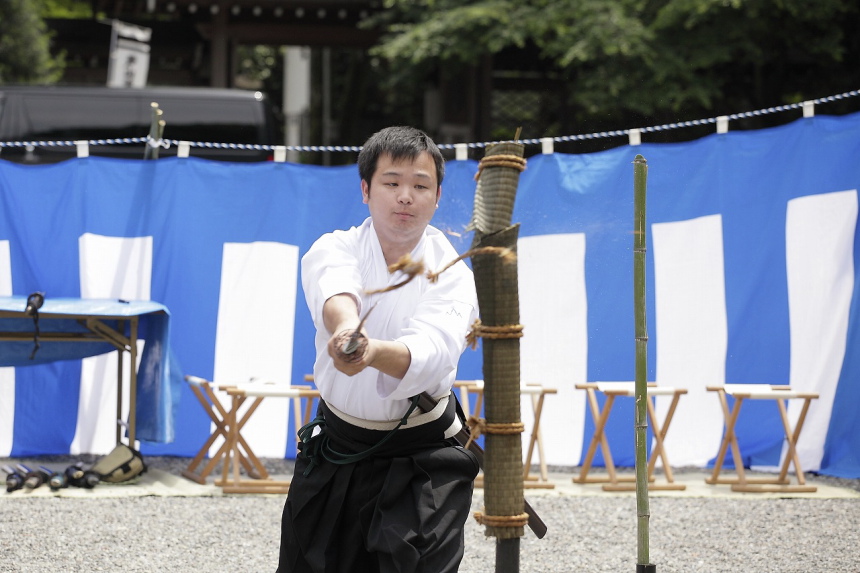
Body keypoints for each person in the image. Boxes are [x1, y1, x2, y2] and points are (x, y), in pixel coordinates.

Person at [277, 126, 480, 573]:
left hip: (422, 458)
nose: (405, 196)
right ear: (366, 190)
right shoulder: (336, 246)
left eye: (420, 185)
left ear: (437, 196)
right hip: (338, 445)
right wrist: (347, 330)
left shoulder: (452, 273)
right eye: (392, 182)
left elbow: (434, 351)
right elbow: (335, 289)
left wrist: (369, 353)